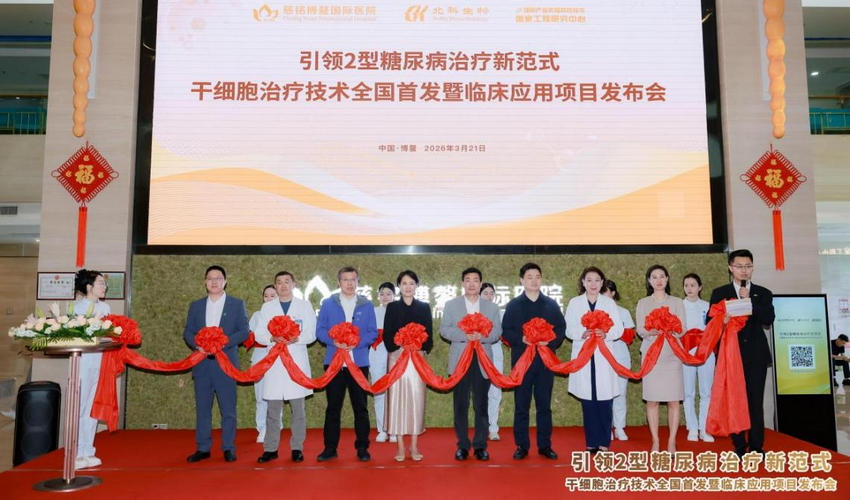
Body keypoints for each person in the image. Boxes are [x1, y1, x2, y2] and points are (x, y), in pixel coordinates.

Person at [708, 249, 775, 457]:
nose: (744, 270)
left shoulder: (762, 293)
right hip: (731, 356)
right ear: (731, 268)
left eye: (748, 266)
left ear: (752, 268)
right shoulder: (720, 293)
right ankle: (738, 445)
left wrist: (750, 302)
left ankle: (756, 446)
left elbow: (768, 319)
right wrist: (723, 320)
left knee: (755, 402)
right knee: (734, 400)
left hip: (756, 356)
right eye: (739, 266)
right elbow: (710, 323)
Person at [184, 265, 250, 463]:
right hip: (202, 363)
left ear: (225, 281)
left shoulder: (236, 304)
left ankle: (228, 447)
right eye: (210, 278)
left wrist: (223, 342)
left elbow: (244, 331)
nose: (214, 282)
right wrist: (198, 344)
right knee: (203, 409)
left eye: (218, 278)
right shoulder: (196, 305)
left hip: (226, 363)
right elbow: (188, 331)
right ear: (205, 282)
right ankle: (203, 448)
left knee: (228, 409)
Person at [502, 262, 566, 460]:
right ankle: (522, 445)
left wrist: (551, 340)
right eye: (529, 277)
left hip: (545, 363)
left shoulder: (551, 305)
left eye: (537, 277)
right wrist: (521, 338)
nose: (534, 281)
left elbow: (561, 329)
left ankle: (545, 445)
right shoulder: (514, 305)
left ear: (542, 279)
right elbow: (506, 330)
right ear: (522, 280)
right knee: (522, 405)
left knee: (544, 405)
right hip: (522, 362)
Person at [315, 266, 378, 462]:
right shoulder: (328, 303)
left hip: (358, 363)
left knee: (361, 407)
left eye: (353, 279)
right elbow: (320, 330)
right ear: (338, 282)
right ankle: (330, 448)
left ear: (357, 282)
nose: (349, 283)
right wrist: (334, 341)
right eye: (345, 279)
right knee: (333, 407)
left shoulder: (366, 305)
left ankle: (362, 447)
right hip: (335, 363)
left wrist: (356, 342)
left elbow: (372, 332)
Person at [440, 268, 503, 461]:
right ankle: (463, 445)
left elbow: (497, 332)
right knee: (461, 404)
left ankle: (480, 446)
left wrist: (481, 336)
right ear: (462, 283)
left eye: (475, 280)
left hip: (482, 360)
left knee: (481, 404)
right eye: (468, 280)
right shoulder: (451, 305)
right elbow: (444, 330)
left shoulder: (491, 307)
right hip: (460, 360)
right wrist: (464, 334)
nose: (472, 284)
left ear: (480, 283)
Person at [254, 272, 316, 464]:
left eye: (287, 282)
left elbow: (311, 333)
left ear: (294, 284)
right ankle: (270, 448)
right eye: (279, 283)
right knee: (273, 410)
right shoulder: (267, 307)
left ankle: (297, 447)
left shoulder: (304, 306)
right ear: (275, 286)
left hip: (296, 362)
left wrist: (297, 338)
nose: (283, 286)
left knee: (298, 410)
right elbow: (259, 333)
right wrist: (271, 338)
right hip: (275, 362)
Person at [565, 267, 623, 454]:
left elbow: (619, 329)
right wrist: (581, 333)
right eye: (589, 280)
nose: (593, 284)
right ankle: (591, 443)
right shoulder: (575, 303)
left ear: (602, 283)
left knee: (604, 400)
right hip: (584, 355)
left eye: (597, 280)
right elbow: (568, 329)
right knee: (588, 401)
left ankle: (604, 443)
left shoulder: (609, 303)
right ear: (583, 282)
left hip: (603, 355)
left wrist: (606, 334)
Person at [382, 270, 433, 461]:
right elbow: (387, 335)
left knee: (416, 400)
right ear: (399, 286)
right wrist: (401, 345)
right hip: (397, 358)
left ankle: (414, 445)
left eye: (411, 283)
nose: (408, 287)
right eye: (404, 283)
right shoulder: (392, 307)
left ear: (417, 286)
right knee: (396, 400)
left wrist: (417, 345)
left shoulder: (424, 307)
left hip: (417, 359)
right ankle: (400, 447)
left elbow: (429, 337)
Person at [636, 264, 687, 453]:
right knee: (652, 401)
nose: (658, 280)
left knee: (674, 400)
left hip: (672, 355)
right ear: (649, 281)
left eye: (662, 276)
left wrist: (672, 329)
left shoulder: (677, 302)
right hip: (652, 356)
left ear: (667, 279)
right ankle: (656, 441)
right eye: (654, 277)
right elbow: (640, 329)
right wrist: (651, 331)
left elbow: (684, 328)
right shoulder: (643, 303)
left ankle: (672, 441)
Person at [73, 269, 110, 470]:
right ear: (89, 287)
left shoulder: (105, 307)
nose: (105, 287)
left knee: (92, 408)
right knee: (79, 407)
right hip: (83, 362)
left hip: (101, 361)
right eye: (101, 283)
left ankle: (88, 450)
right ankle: (76, 452)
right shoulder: (77, 308)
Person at [681, 273, 715, 443]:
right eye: (686, 285)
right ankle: (692, 427)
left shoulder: (708, 306)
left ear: (700, 287)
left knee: (706, 391)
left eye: (693, 285)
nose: (689, 288)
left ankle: (704, 428)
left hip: (706, 351)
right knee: (688, 392)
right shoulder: (679, 306)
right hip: (686, 351)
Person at [602, 279, 634, 441]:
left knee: (620, 393)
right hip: (602, 359)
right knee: (605, 395)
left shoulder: (623, 312)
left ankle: (620, 427)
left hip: (621, 358)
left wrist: (615, 332)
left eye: (606, 292)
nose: (603, 295)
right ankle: (606, 428)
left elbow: (630, 336)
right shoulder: (596, 313)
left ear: (613, 293)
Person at [249, 284, 278, 443]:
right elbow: (252, 336)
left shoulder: (284, 315)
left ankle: (275, 426)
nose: (269, 298)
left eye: (272, 295)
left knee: (276, 394)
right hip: (260, 357)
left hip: (279, 357)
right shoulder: (257, 315)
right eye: (266, 296)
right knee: (260, 395)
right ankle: (261, 427)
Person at [371, 282, 395, 443]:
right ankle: (382, 429)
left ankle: (394, 429)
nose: (385, 297)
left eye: (388, 294)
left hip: (395, 353)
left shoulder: (399, 311)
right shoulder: (372, 312)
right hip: (376, 353)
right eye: (382, 294)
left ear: (394, 296)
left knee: (395, 393)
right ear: (378, 296)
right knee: (379, 392)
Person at [481, 282, 504, 441]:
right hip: (479, 354)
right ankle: (482, 426)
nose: (489, 297)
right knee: (480, 392)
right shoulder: (474, 313)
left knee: (495, 391)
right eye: (486, 293)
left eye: (491, 293)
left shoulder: (500, 313)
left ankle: (493, 428)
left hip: (496, 354)